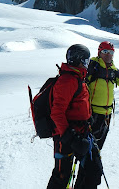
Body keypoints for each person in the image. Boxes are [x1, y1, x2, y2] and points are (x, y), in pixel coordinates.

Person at [47, 44, 102, 189]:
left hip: (82, 132)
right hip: (66, 137)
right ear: (78, 60)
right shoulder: (67, 81)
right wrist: (71, 137)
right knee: (61, 176)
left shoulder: (78, 77)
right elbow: (56, 113)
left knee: (93, 170)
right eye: (85, 61)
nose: (87, 64)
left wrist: (87, 118)